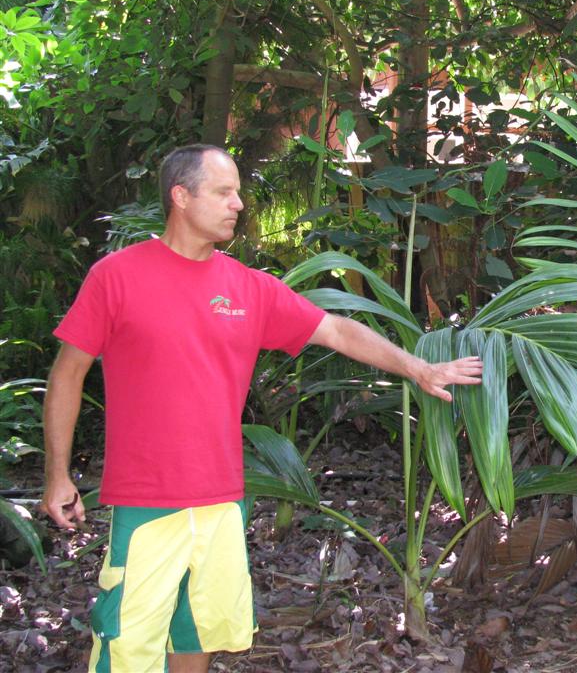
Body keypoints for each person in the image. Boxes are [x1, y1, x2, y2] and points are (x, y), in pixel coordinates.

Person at [40, 144, 483, 673]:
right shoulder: (118, 276)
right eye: (224, 193)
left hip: (223, 498)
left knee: (199, 629)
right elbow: (67, 374)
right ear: (181, 197)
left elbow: (336, 329)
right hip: (147, 497)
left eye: (239, 193)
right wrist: (56, 475)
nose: (238, 204)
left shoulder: (247, 287)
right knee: (128, 643)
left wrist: (419, 368)